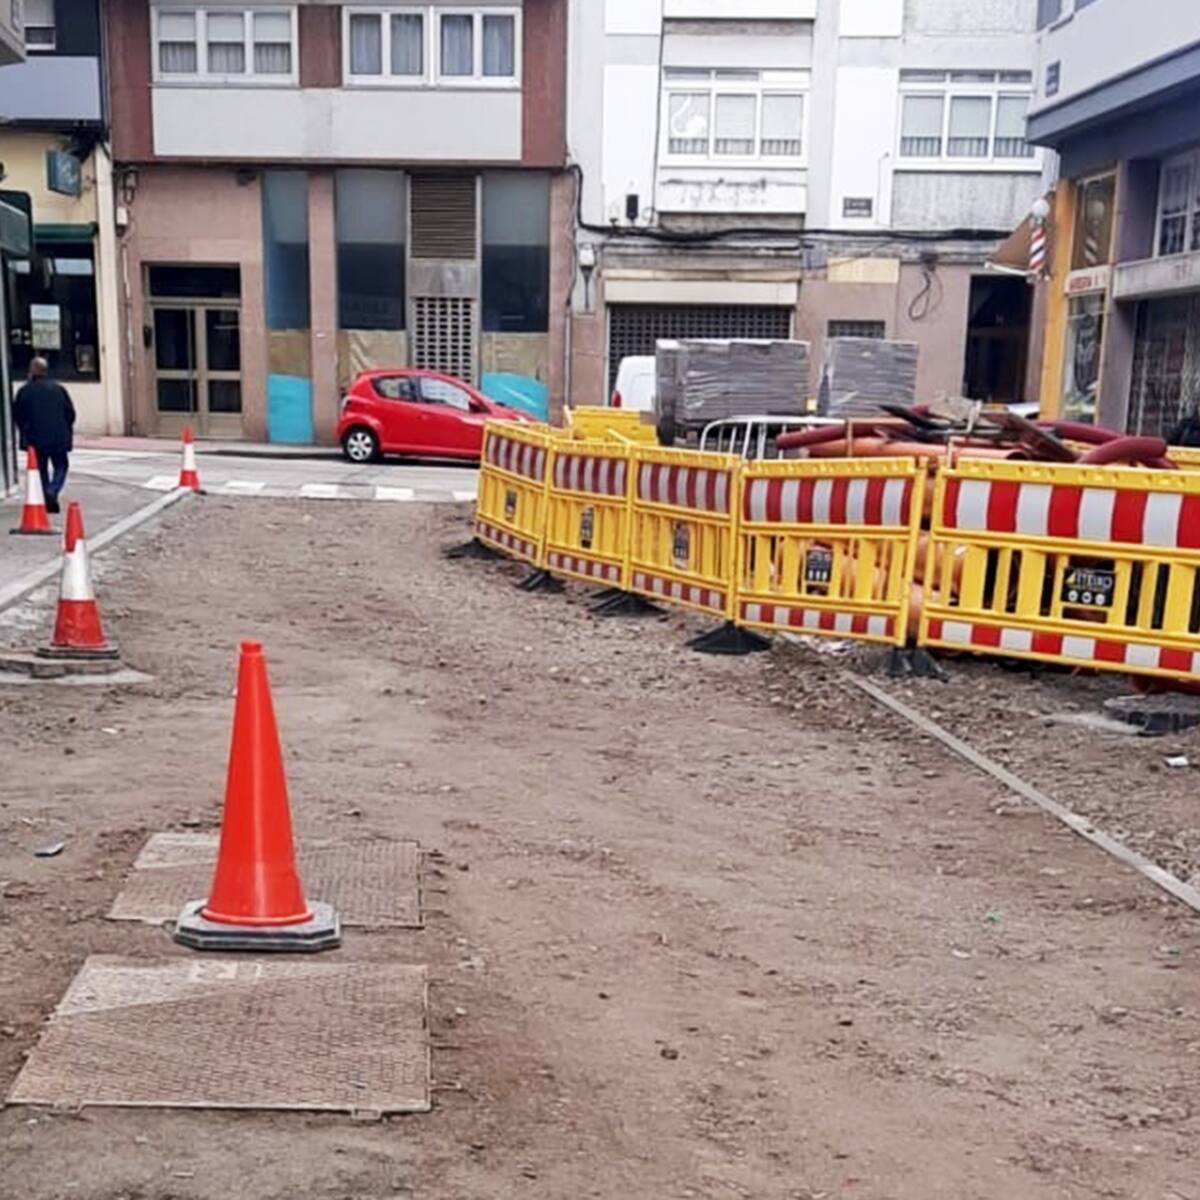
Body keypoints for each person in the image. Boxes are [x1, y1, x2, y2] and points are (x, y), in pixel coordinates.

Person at [13, 357, 75, 514]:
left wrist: (25, 432)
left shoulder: (24, 391)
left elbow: (18, 415)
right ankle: (53, 490)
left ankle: (47, 492)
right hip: (58, 437)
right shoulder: (58, 389)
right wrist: (66, 428)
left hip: (35, 437)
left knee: (41, 468)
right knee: (61, 465)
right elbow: (70, 413)